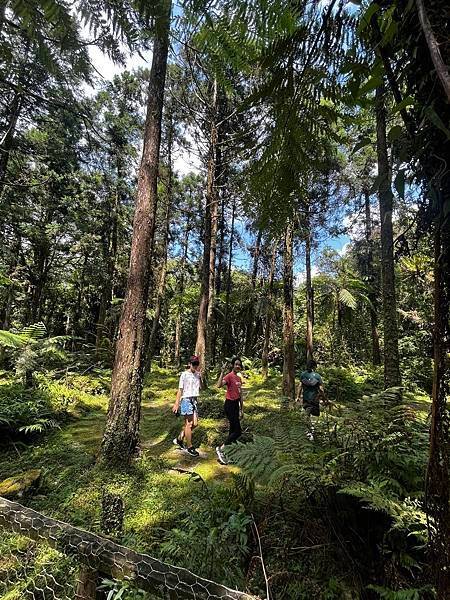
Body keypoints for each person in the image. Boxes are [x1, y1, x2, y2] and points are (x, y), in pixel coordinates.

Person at [172, 355, 202, 457]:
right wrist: (177, 403)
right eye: (193, 364)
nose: (195, 366)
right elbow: (180, 390)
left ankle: (180, 438)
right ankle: (190, 447)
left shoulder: (198, 375)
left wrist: (201, 377)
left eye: (197, 364)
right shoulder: (184, 375)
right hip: (186, 400)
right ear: (189, 364)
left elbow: (201, 387)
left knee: (195, 424)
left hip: (194, 400)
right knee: (188, 424)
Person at [215, 357, 244, 465]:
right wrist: (222, 372)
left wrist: (242, 409)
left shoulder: (239, 379)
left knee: (232, 431)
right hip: (229, 405)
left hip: (236, 405)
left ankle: (227, 454)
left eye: (239, 365)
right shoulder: (229, 376)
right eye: (236, 364)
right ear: (232, 365)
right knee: (238, 431)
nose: (238, 366)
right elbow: (218, 385)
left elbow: (240, 395)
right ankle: (221, 449)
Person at [296, 359, 326, 440]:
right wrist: (324, 399)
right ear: (314, 366)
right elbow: (321, 389)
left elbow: (300, 386)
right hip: (314, 400)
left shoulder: (303, 375)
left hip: (305, 399)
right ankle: (313, 435)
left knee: (307, 416)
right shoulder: (317, 376)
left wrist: (297, 397)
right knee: (314, 417)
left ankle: (307, 434)